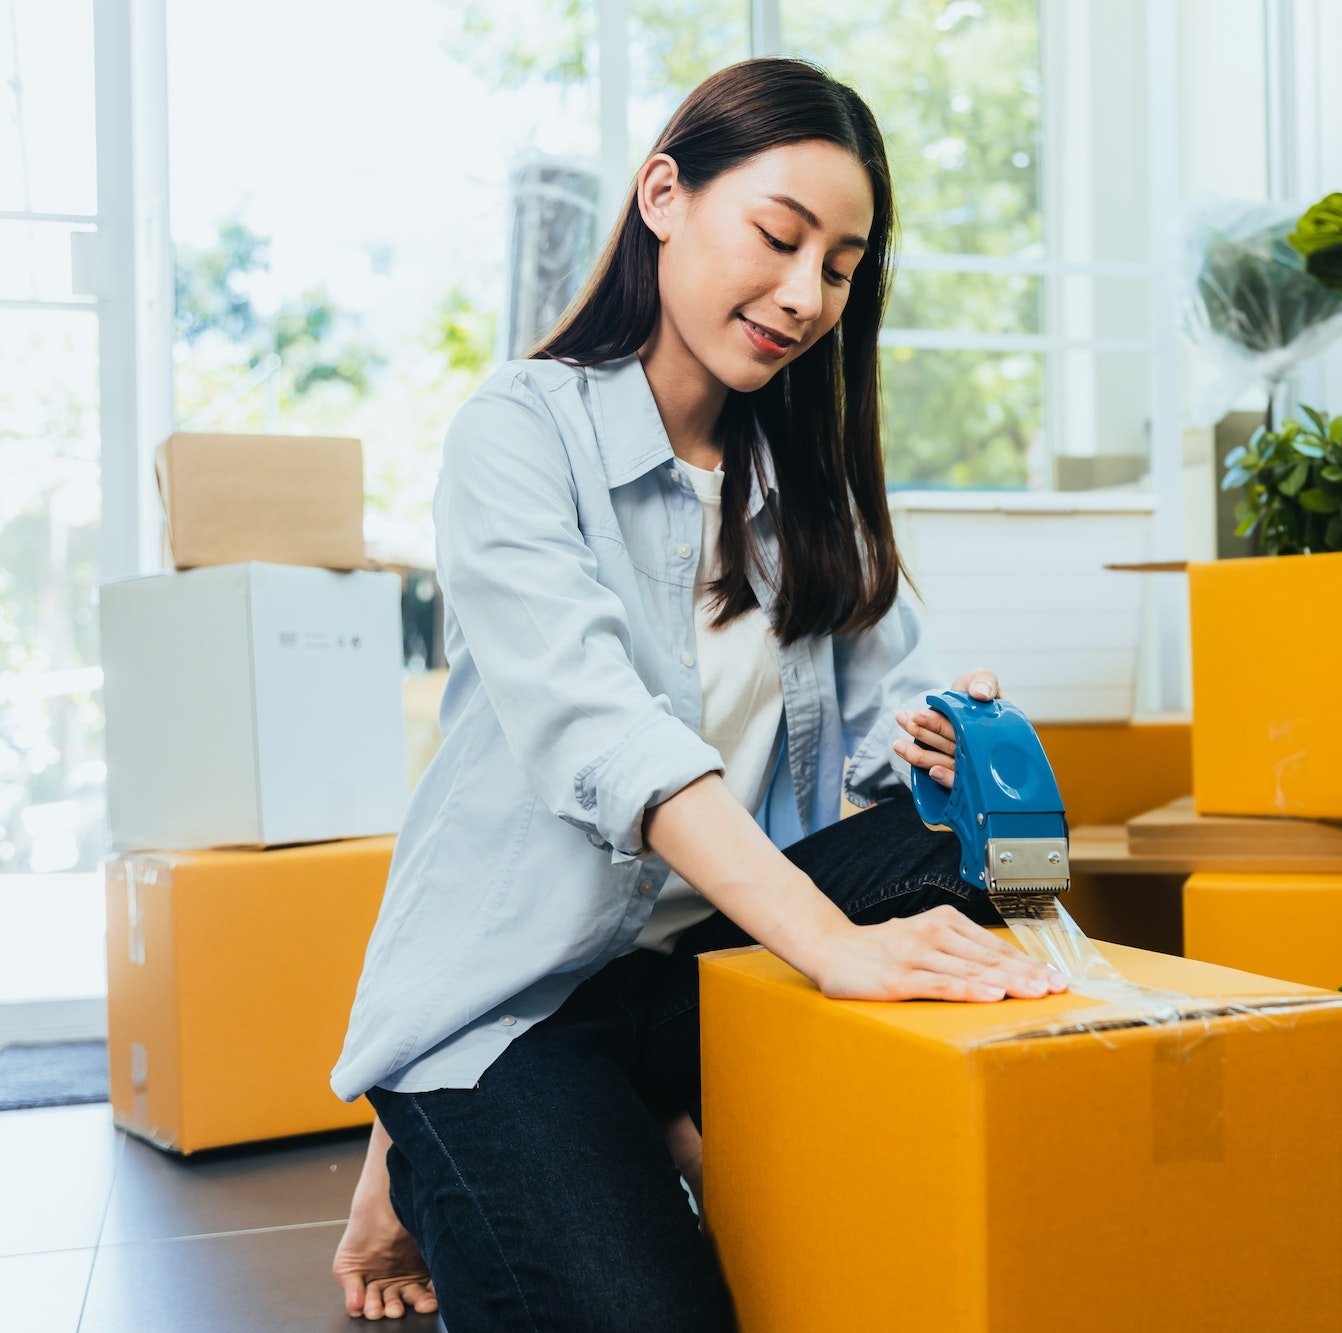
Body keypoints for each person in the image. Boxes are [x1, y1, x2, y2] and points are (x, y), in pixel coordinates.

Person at [325, 56, 1067, 1329]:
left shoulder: (804, 482)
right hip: (522, 1002)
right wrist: (830, 947)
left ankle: (658, 1109)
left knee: (961, 846)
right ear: (663, 194)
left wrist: (949, 728)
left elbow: (898, 699)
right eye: (777, 238)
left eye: (838, 268)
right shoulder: (517, 431)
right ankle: (434, 1126)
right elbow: (604, 733)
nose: (802, 295)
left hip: (704, 972)